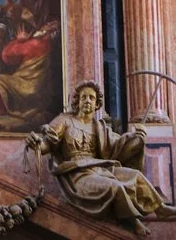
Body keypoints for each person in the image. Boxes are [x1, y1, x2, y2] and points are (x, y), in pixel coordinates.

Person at [27, 83, 166, 229]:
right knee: (115, 187)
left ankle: (160, 207)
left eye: (91, 98)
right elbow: (47, 144)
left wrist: (137, 138)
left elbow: (118, 147)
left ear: (97, 104)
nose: (87, 100)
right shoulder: (64, 120)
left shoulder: (99, 127)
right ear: (77, 101)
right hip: (77, 173)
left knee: (135, 175)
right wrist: (37, 143)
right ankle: (131, 220)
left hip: (100, 168)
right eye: (84, 97)